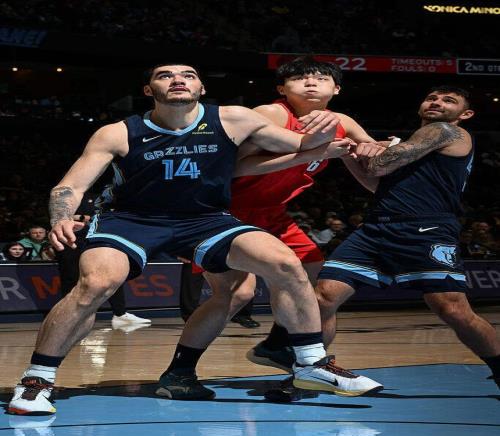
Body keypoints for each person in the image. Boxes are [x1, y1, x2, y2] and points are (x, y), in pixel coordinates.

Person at [8, 61, 360, 415]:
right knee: (96, 284)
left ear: (201, 89)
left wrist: (324, 126)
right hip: (130, 219)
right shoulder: (117, 132)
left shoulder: (234, 118)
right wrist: (61, 217)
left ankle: (310, 362)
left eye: (188, 75)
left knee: (284, 262)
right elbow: (69, 186)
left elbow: (302, 142)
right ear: (148, 91)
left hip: (204, 219)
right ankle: (36, 380)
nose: (178, 79)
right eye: (165, 75)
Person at [158, 56, 384, 400]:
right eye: (300, 78)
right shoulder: (272, 114)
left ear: (336, 89)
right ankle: (179, 372)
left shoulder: (342, 121)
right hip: (224, 209)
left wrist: (380, 147)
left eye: (321, 78)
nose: (311, 82)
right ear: (282, 88)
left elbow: (374, 157)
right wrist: (314, 152)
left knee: (318, 280)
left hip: (273, 213)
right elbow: (231, 167)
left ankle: (279, 346)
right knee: (236, 294)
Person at [251, 85, 500, 398]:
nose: (437, 102)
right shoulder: (418, 143)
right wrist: (348, 154)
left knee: (453, 310)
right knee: (323, 298)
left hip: (426, 229)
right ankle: (309, 372)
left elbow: (380, 164)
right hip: (377, 228)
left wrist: (374, 147)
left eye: (448, 100)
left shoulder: (446, 131)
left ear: (465, 114)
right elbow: (375, 183)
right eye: (432, 97)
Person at [55, 192, 151, 328]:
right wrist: (83, 217)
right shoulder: (71, 194)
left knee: (111, 273)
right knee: (71, 276)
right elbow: (62, 215)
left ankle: (120, 314)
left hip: (97, 234)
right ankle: (69, 318)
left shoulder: (104, 193)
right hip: (71, 236)